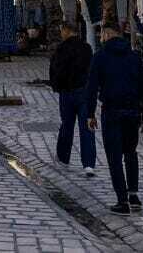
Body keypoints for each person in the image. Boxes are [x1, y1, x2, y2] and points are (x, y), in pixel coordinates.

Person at [84, 22, 143, 215]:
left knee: (114, 157)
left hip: (112, 111)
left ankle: (122, 201)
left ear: (106, 34)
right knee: (130, 153)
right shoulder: (134, 57)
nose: (100, 38)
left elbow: (91, 87)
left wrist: (90, 114)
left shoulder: (100, 57)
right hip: (132, 112)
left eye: (101, 34)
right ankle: (133, 195)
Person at [49, 21, 96, 177]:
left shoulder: (61, 49)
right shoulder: (87, 48)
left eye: (61, 31)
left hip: (67, 93)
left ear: (66, 31)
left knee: (67, 125)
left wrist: (57, 86)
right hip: (84, 93)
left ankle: (63, 157)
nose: (61, 34)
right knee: (87, 127)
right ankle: (89, 164)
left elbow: (55, 70)